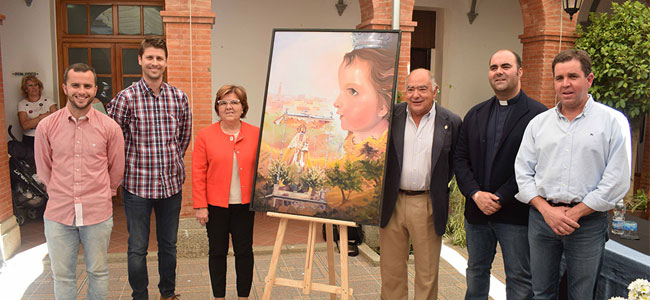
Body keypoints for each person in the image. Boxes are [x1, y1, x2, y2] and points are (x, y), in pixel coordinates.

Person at [515, 49, 631, 300]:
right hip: (542, 221)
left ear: (589, 80)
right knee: (541, 293)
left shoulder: (613, 122)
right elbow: (523, 172)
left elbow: (617, 179)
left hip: (587, 223)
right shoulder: (539, 124)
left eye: (573, 76)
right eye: (559, 78)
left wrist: (575, 213)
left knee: (581, 295)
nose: (565, 84)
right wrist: (548, 211)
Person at [454, 49, 547, 300]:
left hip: (515, 212)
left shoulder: (539, 116)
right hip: (477, 211)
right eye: (494, 67)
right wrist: (475, 193)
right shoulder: (475, 114)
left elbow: (538, 165)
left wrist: (499, 197)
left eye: (505, 66)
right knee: (476, 271)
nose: (499, 72)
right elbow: (460, 159)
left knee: (518, 277)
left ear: (520, 71)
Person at [107, 37, 192, 300]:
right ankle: (139, 296)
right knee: (137, 248)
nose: (155, 63)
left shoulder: (179, 98)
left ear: (165, 62)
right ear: (140, 60)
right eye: (150, 58)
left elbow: (184, 139)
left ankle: (168, 293)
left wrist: (170, 162)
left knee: (169, 245)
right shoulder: (125, 99)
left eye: (159, 58)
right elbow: (112, 140)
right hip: (137, 188)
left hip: (170, 185)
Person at [34, 63, 124, 299]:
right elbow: (44, 169)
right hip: (58, 214)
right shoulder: (46, 126)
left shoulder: (110, 128)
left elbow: (116, 168)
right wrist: (57, 191)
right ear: (65, 88)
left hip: (97, 213)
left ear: (95, 90)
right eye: (75, 85)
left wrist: (107, 192)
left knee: (98, 272)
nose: (81, 91)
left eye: (87, 86)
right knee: (62, 275)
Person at [380, 68, 462, 300]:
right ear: (404, 92)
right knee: (391, 272)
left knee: (427, 274)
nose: (416, 94)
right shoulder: (390, 117)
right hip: (392, 203)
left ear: (434, 91)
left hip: (427, 204)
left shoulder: (451, 122)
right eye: (410, 89)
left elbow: (454, 161)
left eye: (422, 89)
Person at [193, 85, 259, 300]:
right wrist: (200, 205)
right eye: (223, 102)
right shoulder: (205, 135)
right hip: (215, 207)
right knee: (217, 252)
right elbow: (198, 172)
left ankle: (243, 297)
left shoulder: (256, 134)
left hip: (244, 206)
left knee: (244, 252)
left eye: (234, 102)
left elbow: (264, 169)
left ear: (243, 107)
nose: (228, 106)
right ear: (217, 107)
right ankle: (219, 297)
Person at [333, 36, 394, 161]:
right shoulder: (345, 153)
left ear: (382, 106)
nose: (336, 103)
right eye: (341, 91)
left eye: (353, 91)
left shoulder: (389, 154)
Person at [18, 74, 57, 148]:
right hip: (30, 140)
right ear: (26, 89)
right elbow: (25, 125)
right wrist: (42, 116)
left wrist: (32, 121)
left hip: (47, 137)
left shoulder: (49, 101)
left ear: (39, 87)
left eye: (36, 85)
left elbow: (55, 122)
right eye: (30, 85)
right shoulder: (22, 104)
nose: (34, 88)